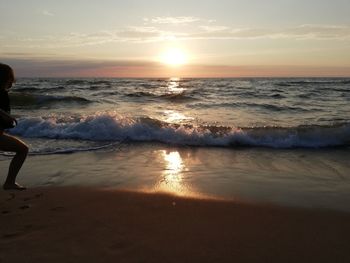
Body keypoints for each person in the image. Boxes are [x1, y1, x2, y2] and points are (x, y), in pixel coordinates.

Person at [0, 63, 28, 190]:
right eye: (10, 78)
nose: (12, 82)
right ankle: (9, 183)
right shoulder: (1, 93)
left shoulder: (3, 93)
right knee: (23, 150)